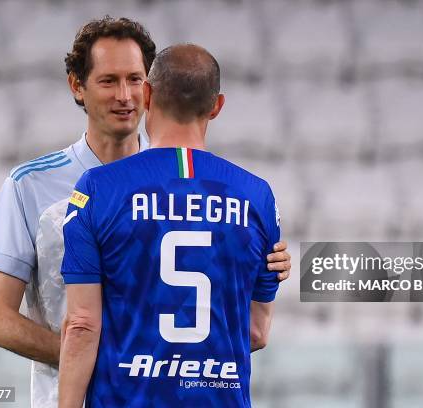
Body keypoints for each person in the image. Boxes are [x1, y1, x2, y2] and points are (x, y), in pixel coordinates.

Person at [0, 17, 291, 408]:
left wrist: (264, 264)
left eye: (135, 80)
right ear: (78, 86)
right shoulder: (29, 186)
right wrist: (106, 359)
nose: (125, 95)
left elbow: (231, 319)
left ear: (151, 89)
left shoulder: (185, 184)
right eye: (108, 81)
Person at [59, 43, 281, 408]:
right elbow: (256, 332)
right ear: (217, 106)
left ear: (146, 93)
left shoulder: (97, 189)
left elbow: (83, 325)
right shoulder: (258, 197)